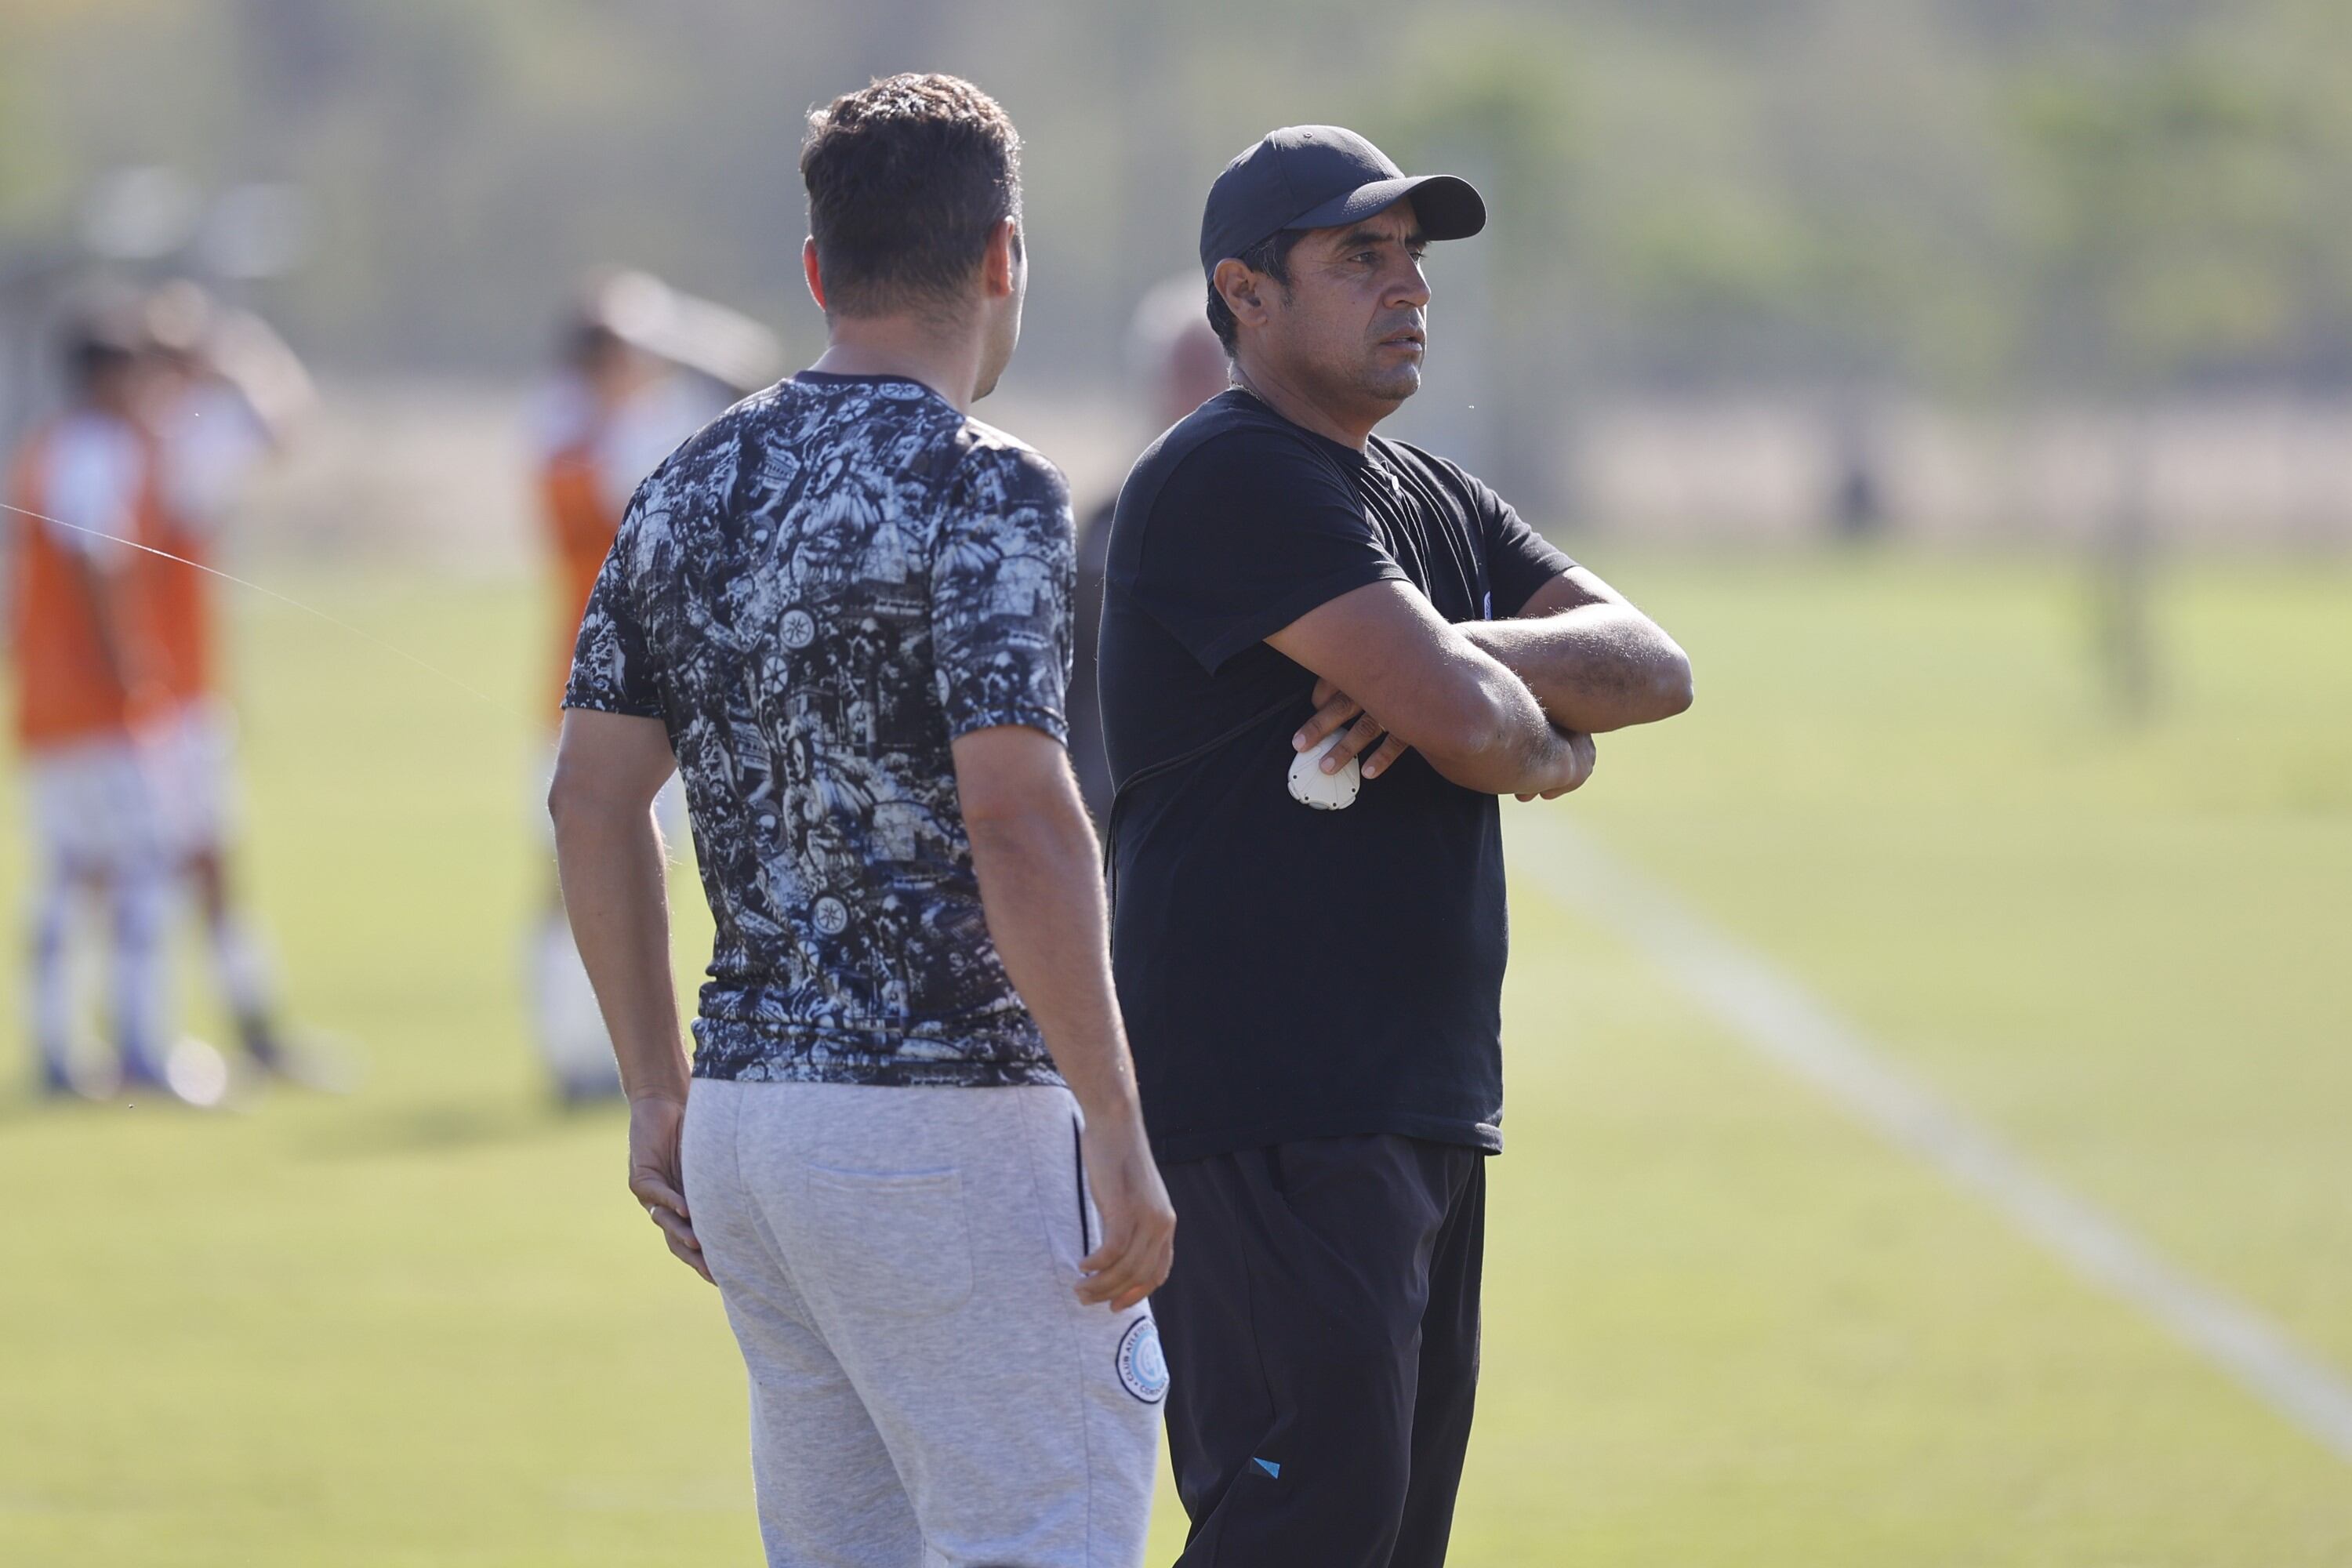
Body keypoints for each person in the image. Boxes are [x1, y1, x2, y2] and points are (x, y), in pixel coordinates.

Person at [549, 74, 1174, 1567]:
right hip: (952, 1125)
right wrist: (1119, 1117)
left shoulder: (689, 476)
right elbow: (1018, 813)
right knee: (1041, 1533)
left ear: (819, 269)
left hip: (751, 1135)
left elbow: (589, 795)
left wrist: (655, 1085)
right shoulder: (988, 483)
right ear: (1005, 255)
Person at [1098, 125, 1696, 1566]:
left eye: (1411, 255)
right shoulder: (1230, 471)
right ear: (1244, 294)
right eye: (1358, 255)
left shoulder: (1425, 496)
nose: (1407, 285)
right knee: (1305, 1529)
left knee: (1381, 1537)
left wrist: (1457, 666)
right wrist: (1503, 717)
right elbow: (1474, 727)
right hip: (1271, 1109)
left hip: (1414, 1104)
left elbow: (1653, 664)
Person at [528, 271, 758, 1102]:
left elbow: (748, 368)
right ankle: (572, 1049)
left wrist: (672, 333)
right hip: (595, 687)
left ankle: (599, 1052)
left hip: (660, 691)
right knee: (577, 868)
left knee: (647, 870)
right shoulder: (581, 432)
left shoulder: (621, 421)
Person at [139, 280, 336, 1087]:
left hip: (159, 690)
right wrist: (241, 350)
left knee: (177, 867)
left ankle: (230, 1026)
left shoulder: (127, 440)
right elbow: (284, 419)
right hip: (165, 692)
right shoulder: (177, 443)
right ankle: (173, 1041)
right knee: (182, 867)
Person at [8, 307, 183, 1099]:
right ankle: (141, 1044)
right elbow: (98, 561)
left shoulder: (45, 447)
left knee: (67, 874)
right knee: (142, 866)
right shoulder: (95, 449)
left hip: (47, 702)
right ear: (110, 377)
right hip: (97, 703)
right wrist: (130, 666)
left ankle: (57, 1047)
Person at [1069, 278, 1230, 829]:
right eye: (1184, 371)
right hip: (1118, 814)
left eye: (1211, 369)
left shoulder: (1276, 524)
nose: (1199, 391)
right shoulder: (1102, 524)